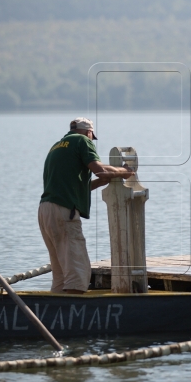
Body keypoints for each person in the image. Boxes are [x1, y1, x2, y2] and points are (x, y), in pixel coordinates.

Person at [38, 117, 134, 294]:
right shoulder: (82, 140)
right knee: (78, 271)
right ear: (89, 132)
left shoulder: (57, 146)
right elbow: (99, 169)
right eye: (92, 137)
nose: (91, 140)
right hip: (63, 210)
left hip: (45, 210)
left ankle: (56, 312)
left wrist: (102, 181)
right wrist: (125, 172)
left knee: (60, 272)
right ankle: (74, 315)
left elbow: (77, 186)